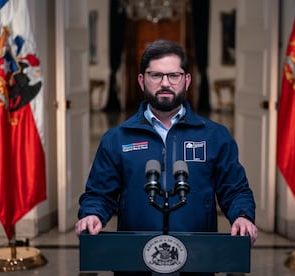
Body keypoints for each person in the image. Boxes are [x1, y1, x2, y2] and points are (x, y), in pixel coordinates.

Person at [75, 39, 258, 275]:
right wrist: (91, 214)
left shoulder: (215, 136)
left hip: (198, 259)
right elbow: (99, 193)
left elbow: (235, 190)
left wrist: (242, 216)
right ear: (142, 81)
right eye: (156, 75)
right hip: (134, 260)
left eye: (173, 75)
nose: (165, 83)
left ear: (187, 80)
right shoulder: (116, 139)